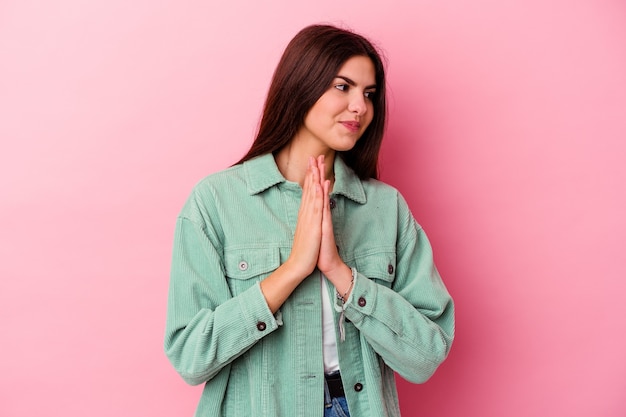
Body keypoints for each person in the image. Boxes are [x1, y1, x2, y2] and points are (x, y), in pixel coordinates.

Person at [164, 24, 454, 417]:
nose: (360, 107)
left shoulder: (386, 208)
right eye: (343, 86)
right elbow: (190, 355)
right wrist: (292, 270)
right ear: (302, 84)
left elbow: (427, 355)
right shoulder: (216, 202)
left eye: (369, 94)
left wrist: (342, 275)